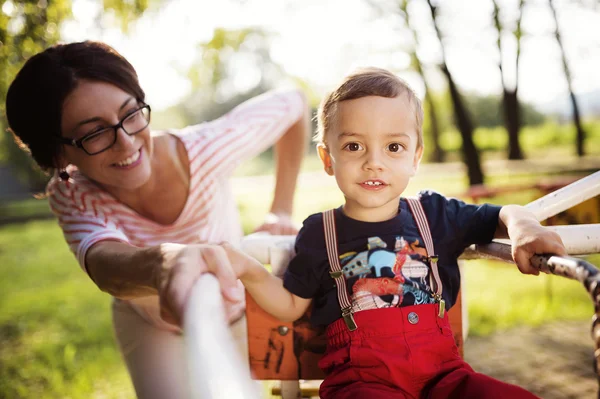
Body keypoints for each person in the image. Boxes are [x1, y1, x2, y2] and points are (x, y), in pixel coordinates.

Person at [222, 67, 567, 398]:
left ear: (415, 157)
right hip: (362, 382)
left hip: (444, 377)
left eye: (393, 147)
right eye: (354, 146)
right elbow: (292, 305)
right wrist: (248, 270)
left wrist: (523, 227)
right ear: (328, 160)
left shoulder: (433, 214)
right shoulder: (319, 232)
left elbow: (502, 213)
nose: (375, 162)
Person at [5, 40, 309, 398]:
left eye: (131, 113)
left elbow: (294, 104)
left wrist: (281, 209)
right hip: (150, 324)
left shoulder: (205, 151)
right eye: (94, 133)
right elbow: (103, 262)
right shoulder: (72, 193)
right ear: (57, 154)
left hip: (239, 307)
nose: (127, 144)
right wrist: (167, 262)